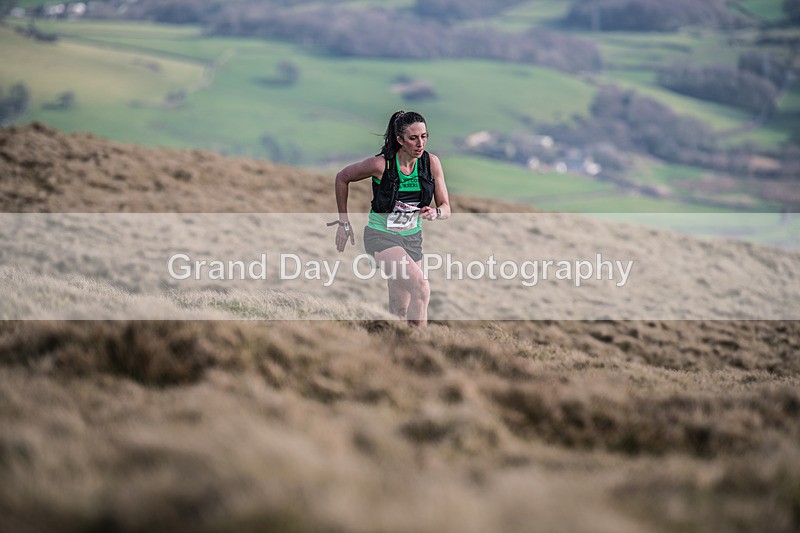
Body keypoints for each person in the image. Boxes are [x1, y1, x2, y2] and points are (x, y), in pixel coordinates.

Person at [332, 110, 450, 326]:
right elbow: (342, 177)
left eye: (424, 137)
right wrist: (343, 222)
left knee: (398, 310)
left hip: (412, 239)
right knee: (422, 289)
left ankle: (393, 350)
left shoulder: (431, 163)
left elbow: (446, 207)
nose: (420, 143)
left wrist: (436, 212)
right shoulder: (381, 165)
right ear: (399, 139)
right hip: (382, 237)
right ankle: (420, 350)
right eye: (413, 138)